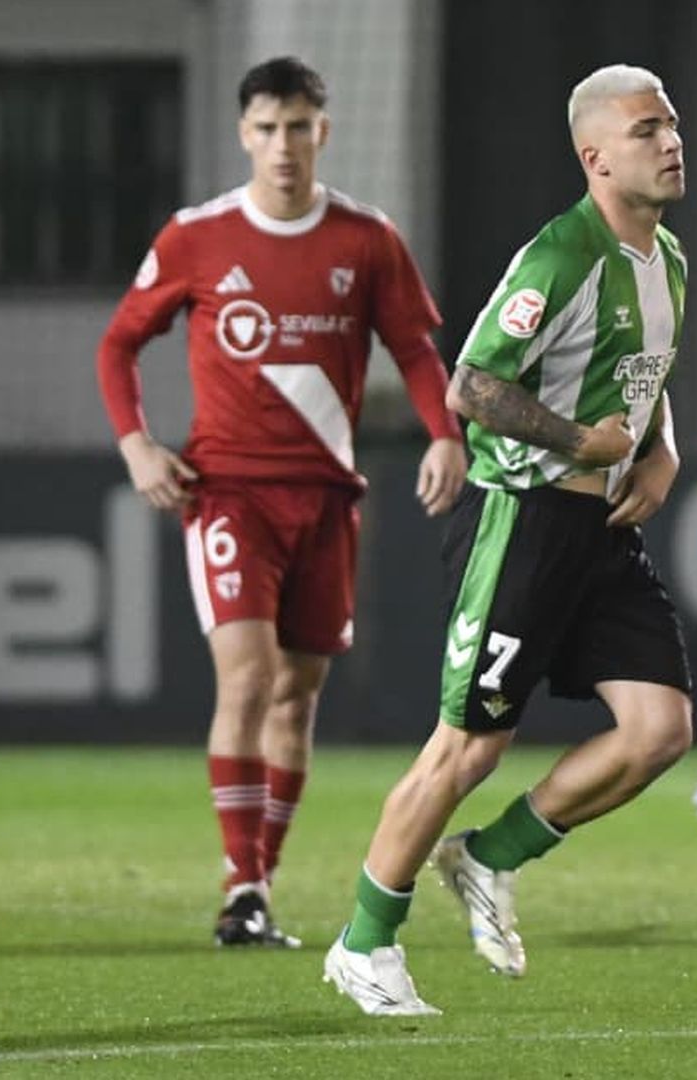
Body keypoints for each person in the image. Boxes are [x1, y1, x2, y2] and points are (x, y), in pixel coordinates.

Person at [322, 63, 692, 1016]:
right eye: (648, 129)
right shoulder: (561, 257)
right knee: (470, 748)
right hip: (522, 521)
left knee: (659, 731)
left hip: (601, 530)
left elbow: (641, 379)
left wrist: (662, 453)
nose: (670, 140)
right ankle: (363, 942)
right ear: (596, 157)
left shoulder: (670, 262)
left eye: (672, 125)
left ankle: (489, 857)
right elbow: (472, 386)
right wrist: (578, 441)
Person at [97, 57, 466, 949]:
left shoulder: (366, 240)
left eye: (299, 126)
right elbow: (119, 345)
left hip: (328, 496)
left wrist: (445, 432)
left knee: (298, 695)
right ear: (243, 134)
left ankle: (261, 880)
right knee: (250, 677)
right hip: (226, 491)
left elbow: (414, 349)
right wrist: (138, 443)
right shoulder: (197, 235)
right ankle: (242, 883)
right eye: (266, 128)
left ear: (323, 133)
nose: (283, 145)